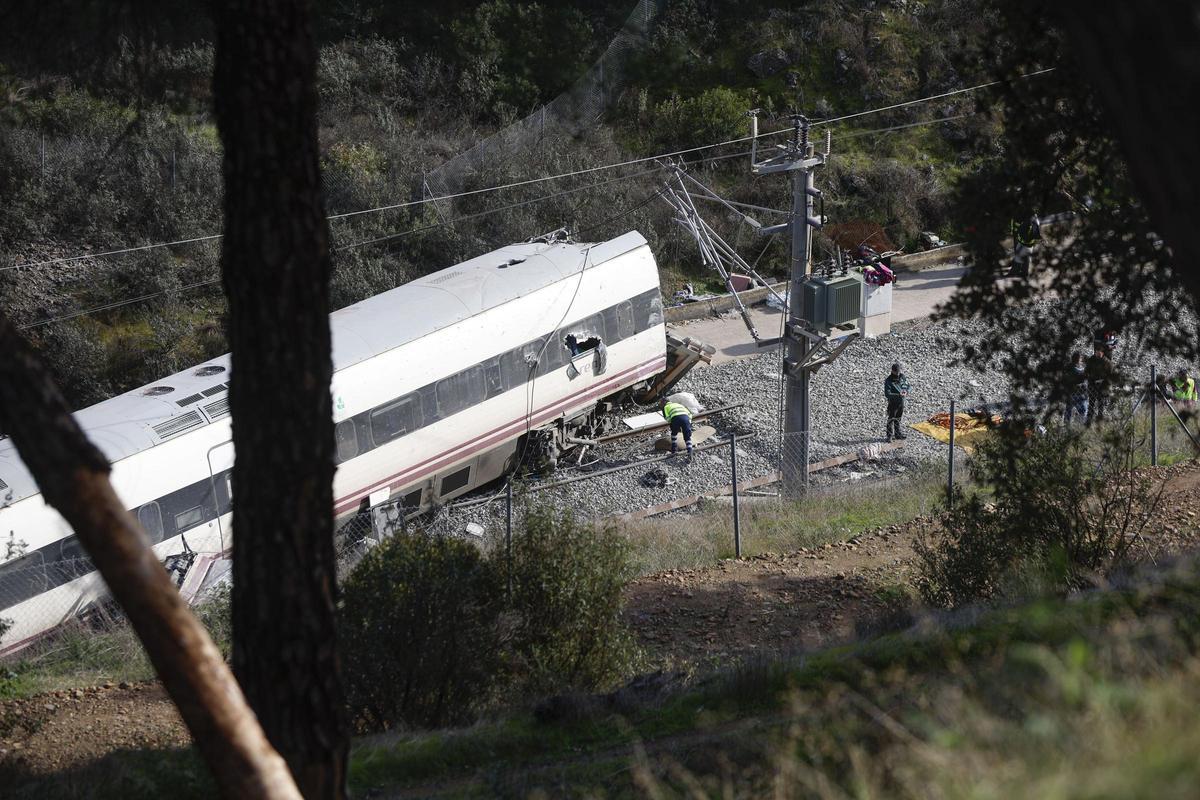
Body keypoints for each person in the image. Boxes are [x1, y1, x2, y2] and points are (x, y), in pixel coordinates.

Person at [1085, 346, 1112, 425]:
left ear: (1102, 353)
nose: (1097, 354)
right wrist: (1090, 378)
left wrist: (1105, 382)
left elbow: (1110, 375)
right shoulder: (1091, 360)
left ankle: (1100, 420)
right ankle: (1089, 420)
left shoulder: (1107, 362)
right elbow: (1086, 371)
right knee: (1091, 403)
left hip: (1102, 386)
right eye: (1096, 352)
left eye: (1099, 352)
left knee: (1101, 403)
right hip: (1092, 384)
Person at [884, 362, 910, 441]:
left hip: (901, 402)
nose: (898, 374)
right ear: (892, 371)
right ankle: (889, 435)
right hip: (893, 403)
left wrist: (906, 391)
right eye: (896, 372)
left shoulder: (902, 377)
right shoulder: (888, 381)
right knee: (891, 419)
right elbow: (887, 394)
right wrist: (898, 394)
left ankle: (898, 434)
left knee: (898, 418)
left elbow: (907, 386)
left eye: (898, 371)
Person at [1009, 213, 1041, 278]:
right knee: (1024, 258)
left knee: (1022, 258)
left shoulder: (1032, 222)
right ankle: (1023, 273)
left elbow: (1035, 235)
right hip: (1024, 242)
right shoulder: (1031, 220)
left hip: (1025, 244)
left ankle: (1016, 273)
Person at [1065, 351, 1089, 425]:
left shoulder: (1068, 367)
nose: (1081, 360)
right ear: (1079, 359)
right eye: (1080, 358)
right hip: (1078, 394)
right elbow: (1081, 376)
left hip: (1071, 393)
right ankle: (1078, 426)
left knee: (1068, 410)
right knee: (1083, 410)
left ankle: (1067, 425)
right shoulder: (1076, 369)